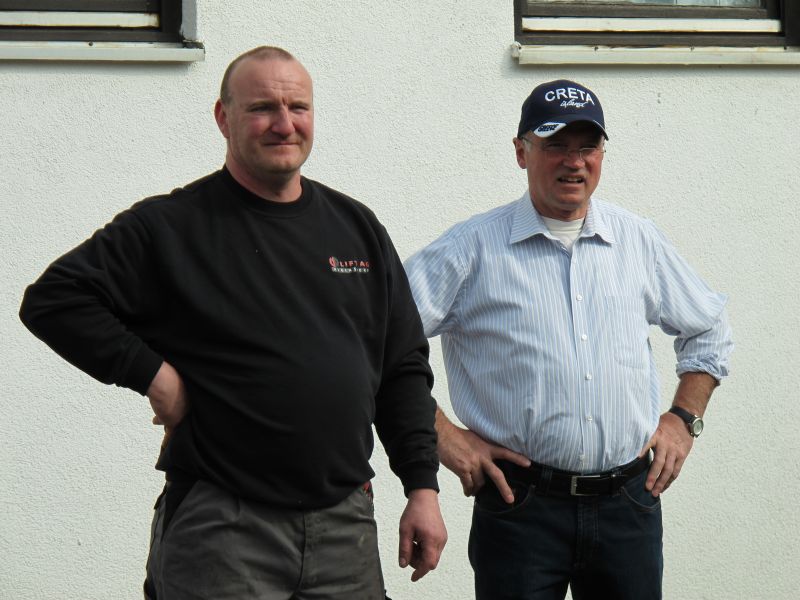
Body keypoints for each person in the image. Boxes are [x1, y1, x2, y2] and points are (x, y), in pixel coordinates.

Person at [19, 46, 447, 600]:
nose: (284, 124)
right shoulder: (171, 226)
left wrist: (421, 486)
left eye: (298, 107)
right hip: (223, 527)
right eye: (262, 108)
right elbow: (54, 300)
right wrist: (155, 377)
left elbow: (402, 368)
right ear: (224, 118)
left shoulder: (357, 227)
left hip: (345, 526)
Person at [403, 79, 732, 600]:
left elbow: (708, 327)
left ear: (601, 154)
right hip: (521, 510)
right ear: (521, 152)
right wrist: (442, 435)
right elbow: (375, 338)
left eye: (587, 146)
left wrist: (683, 419)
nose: (574, 162)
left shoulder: (636, 240)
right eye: (555, 144)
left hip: (629, 505)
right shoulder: (471, 250)